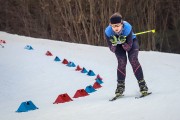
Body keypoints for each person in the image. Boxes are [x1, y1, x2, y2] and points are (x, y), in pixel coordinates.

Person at [104, 12, 149, 96]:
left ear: (122, 23)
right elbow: (112, 49)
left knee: (133, 59)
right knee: (122, 62)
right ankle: (120, 86)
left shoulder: (128, 28)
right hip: (118, 45)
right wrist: (114, 44)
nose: (116, 28)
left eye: (117, 25)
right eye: (113, 26)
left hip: (130, 42)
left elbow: (128, 47)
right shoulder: (108, 31)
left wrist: (124, 42)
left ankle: (142, 84)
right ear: (110, 25)